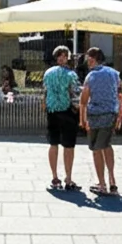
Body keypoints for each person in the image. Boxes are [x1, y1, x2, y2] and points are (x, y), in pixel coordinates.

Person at [79, 47, 122, 196]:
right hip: (110, 114)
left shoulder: (91, 76)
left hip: (95, 115)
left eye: (88, 59)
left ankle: (102, 183)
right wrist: (120, 114)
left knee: (96, 149)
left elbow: (84, 100)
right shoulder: (114, 74)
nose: (87, 62)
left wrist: (82, 119)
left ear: (92, 59)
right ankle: (112, 180)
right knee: (106, 146)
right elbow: (120, 93)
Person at [43, 45, 80, 191]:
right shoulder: (72, 75)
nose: (63, 58)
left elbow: (45, 92)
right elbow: (75, 95)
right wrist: (79, 112)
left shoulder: (47, 73)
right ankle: (68, 178)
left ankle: (54, 177)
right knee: (69, 146)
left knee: (53, 144)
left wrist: (45, 106)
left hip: (52, 111)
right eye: (63, 55)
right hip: (67, 111)